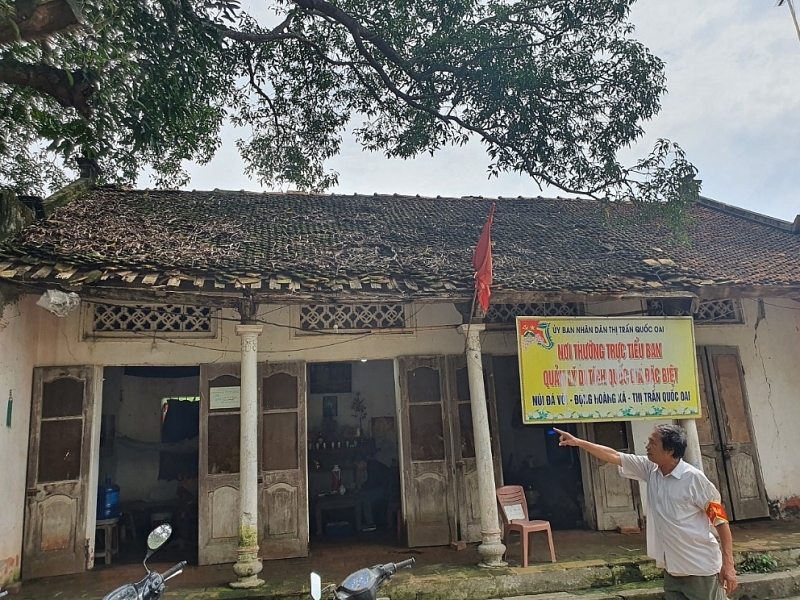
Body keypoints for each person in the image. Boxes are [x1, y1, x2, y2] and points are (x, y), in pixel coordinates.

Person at [554, 424, 737, 600]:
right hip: (672, 570)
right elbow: (613, 455)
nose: (647, 446)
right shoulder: (650, 469)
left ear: (670, 450)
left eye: (653, 443)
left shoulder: (695, 480)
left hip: (701, 571)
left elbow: (720, 521)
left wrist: (728, 564)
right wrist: (578, 442)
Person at [354, 451, 394, 532]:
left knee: (365, 497)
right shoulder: (371, 465)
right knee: (364, 494)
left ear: (361, 462)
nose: (357, 468)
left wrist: (360, 487)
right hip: (383, 489)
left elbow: (372, 484)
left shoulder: (373, 466)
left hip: (387, 491)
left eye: (357, 465)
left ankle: (370, 523)